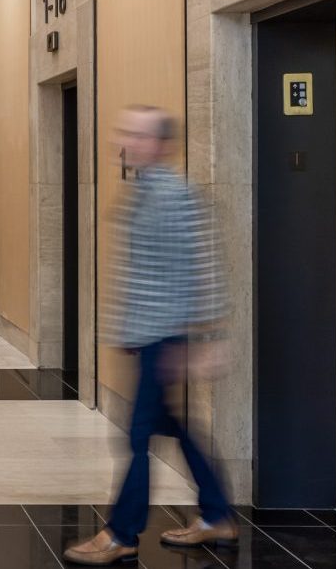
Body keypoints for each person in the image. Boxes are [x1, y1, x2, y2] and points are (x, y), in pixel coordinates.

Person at [65, 105, 237, 565]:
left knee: (138, 436)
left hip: (166, 338)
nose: (126, 141)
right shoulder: (142, 190)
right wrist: (128, 328)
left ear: (160, 144)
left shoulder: (174, 195)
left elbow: (203, 264)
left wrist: (206, 339)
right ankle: (217, 513)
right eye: (126, 132)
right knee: (171, 426)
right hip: (149, 335)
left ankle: (121, 533)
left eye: (138, 135)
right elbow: (144, 269)